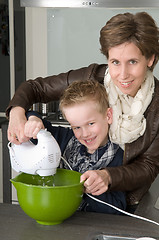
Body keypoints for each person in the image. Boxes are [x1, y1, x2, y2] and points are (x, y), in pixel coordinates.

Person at [6, 12, 159, 209]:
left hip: (127, 206)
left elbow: (148, 167)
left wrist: (108, 176)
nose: (122, 75)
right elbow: (35, 88)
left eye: (133, 62)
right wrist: (17, 113)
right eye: (115, 62)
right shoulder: (92, 78)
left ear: (150, 59)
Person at [25, 80, 126, 214]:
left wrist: (90, 190)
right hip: (59, 217)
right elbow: (29, 117)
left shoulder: (119, 157)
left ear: (108, 116)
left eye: (90, 123)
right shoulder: (64, 138)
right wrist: (33, 120)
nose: (85, 134)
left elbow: (119, 209)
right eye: (76, 127)